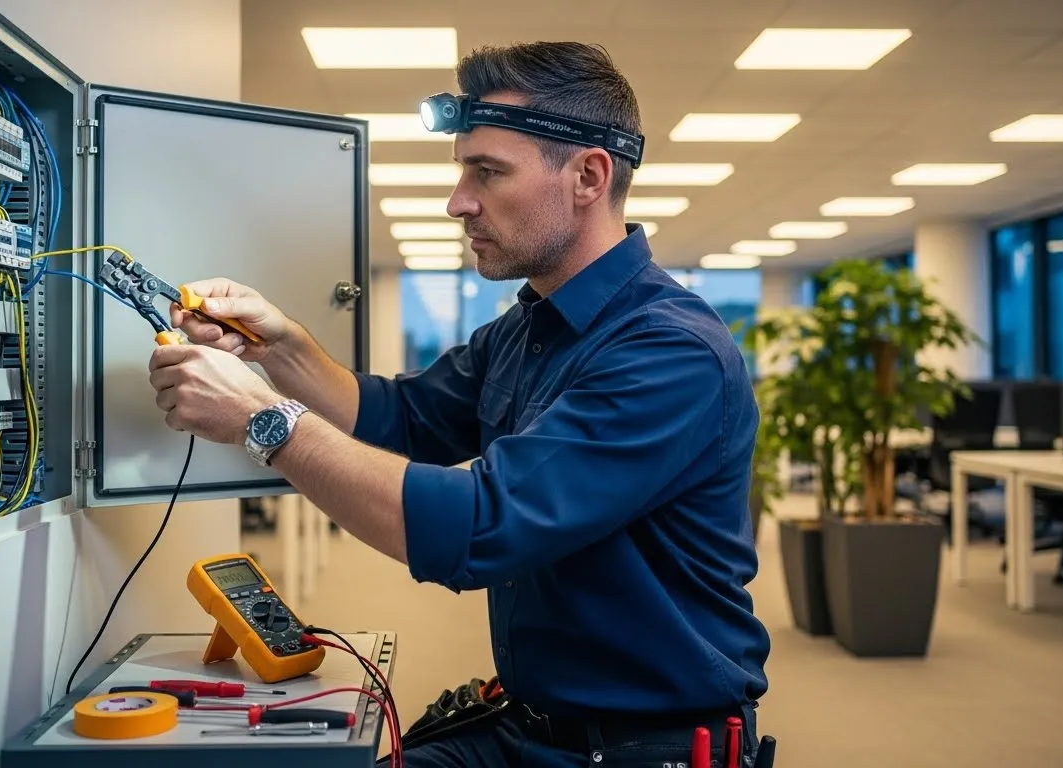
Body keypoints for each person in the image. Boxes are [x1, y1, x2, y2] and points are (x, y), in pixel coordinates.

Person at [147, 41, 770, 768]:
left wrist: (263, 419)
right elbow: (401, 418)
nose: (457, 201)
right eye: (461, 170)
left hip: (640, 748)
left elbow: (481, 528)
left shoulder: (669, 353)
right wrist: (277, 346)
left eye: (488, 172)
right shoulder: (529, 325)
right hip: (527, 724)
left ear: (587, 176)